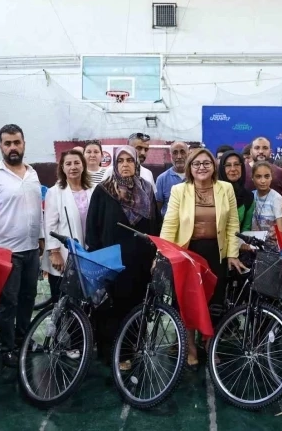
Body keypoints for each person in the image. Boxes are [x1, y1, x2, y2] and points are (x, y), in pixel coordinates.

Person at [161, 148, 247, 368]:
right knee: (187, 301)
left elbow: (232, 223)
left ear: (213, 166)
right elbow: (170, 224)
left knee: (214, 302)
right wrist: (163, 253)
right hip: (187, 253)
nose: (202, 167)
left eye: (206, 163)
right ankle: (190, 346)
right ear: (190, 167)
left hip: (216, 253)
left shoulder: (225, 188)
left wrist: (232, 254)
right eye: (196, 163)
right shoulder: (179, 190)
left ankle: (209, 343)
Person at [0, 124, 44, 367]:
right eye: (8, 143)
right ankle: (7, 348)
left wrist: (41, 237)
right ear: (1, 146)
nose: (13, 147)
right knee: (8, 303)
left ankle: (23, 339)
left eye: (17, 142)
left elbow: (37, 208)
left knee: (28, 298)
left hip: (31, 250)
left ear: (24, 144)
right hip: (6, 253)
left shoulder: (32, 173)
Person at [86, 146, 160, 365]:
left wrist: (155, 254)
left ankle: (133, 348)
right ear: (115, 164)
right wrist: (97, 257)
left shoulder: (146, 189)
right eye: (121, 161)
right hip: (112, 259)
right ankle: (113, 353)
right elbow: (93, 226)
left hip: (140, 261)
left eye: (129, 160)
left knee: (137, 305)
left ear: (136, 164)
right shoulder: (104, 190)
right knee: (112, 306)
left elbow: (155, 225)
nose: (125, 164)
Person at [43, 150, 93, 302]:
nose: (73, 167)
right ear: (62, 168)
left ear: (83, 165)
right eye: (68, 164)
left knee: (86, 302)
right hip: (64, 255)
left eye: (77, 163)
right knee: (63, 303)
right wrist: (54, 252)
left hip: (88, 254)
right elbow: (50, 224)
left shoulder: (93, 189)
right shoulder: (55, 192)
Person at [250, 161, 282, 249]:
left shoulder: (276, 199)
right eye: (258, 176)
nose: (263, 181)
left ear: (271, 177)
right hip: (253, 247)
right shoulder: (251, 196)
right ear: (252, 178)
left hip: (272, 249)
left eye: (267, 176)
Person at [218, 150, 255, 232]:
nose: (233, 169)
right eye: (228, 165)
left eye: (237, 164)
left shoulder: (248, 197)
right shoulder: (213, 192)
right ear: (222, 169)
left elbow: (246, 228)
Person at [156, 141, 188, 215]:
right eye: (175, 153)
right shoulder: (162, 179)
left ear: (188, 154)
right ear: (170, 156)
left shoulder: (195, 176)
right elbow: (158, 207)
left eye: (182, 152)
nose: (179, 156)